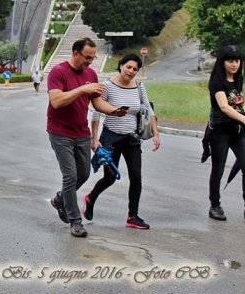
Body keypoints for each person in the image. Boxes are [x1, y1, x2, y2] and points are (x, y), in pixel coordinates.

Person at [47, 37, 118, 238]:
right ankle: (75, 221)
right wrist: (82, 89)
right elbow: (56, 101)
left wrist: (114, 111)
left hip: (81, 132)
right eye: (87, 57)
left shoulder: (91, 73)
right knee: (70, 176)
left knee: (84, 174)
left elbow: (97, 103)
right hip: (60, 132)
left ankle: (61, 198)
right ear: (76, 53)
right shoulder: (58, 71)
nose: (89, 61)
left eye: (93, 58)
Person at [86, 53, 160, 230]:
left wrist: (156, 134)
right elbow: (96, 112)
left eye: (135, 69)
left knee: (136, 177)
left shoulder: (139, 87)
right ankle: (90, 198)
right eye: (128, 67)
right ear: (121, 66)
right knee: (110, 177)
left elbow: (148, 109)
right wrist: (94, 139)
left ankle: (132, 216)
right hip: (111, 137)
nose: (131, 71)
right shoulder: (107, 86)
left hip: (131, 138)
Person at [205, 45, 245, 222]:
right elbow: (224, 107)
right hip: (221, 130)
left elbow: (240, 104)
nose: (234, 64)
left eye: (237, 61)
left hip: (239, 131)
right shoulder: (217, 81)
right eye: (230, 61)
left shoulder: (238, 80)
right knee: (218, 168)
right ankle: (215, 206)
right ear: (222, 62)